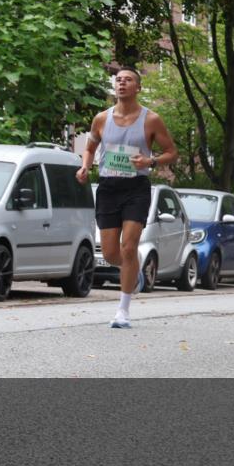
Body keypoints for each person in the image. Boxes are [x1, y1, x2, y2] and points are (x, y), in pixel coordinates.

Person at [75, 68, 178, 328]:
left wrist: (150, 160)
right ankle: (132, 270)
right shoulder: (101, 118)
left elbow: (171, 152)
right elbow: (89, 148)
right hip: (108, 187)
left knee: (129, 247)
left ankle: (123, 311)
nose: (121, 83)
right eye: (118, 80)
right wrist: (85, 166)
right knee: (111, 254)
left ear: (138, 87)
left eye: (128, 80)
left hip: (136, 188)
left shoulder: (151, 119)